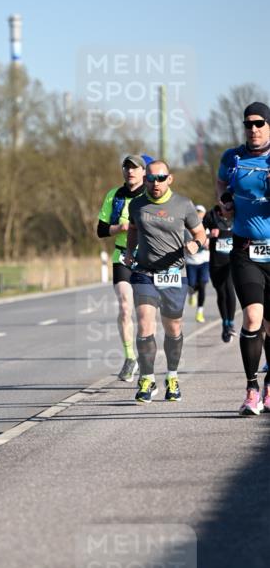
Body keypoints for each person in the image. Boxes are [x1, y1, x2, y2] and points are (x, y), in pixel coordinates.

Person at [124, 160, 207, 404]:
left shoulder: (183, 204)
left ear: (169, 179)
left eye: (161, 178)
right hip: (144, 272)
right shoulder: (137, 204)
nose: (155, 183)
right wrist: (130, 251)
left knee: (174, 328)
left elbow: (200, 233)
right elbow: (132, 230)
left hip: (174, 273)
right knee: (144, 325)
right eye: (151, 178)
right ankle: (147, 379)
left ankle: (172, 377)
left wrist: (196, 243)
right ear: (145, 180)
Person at [217, 101, 270, 415]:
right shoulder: (232, 156)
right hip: (245, 249)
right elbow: (222, 182)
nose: (253, 129)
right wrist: (224, 200)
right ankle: (251, 388)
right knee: (252, 317)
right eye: (248, 124)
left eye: (259, 123)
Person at [96, 154, 153, 382]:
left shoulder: (151, 194)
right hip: (122, 256)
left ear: (144, 172)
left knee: (145, 313)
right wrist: (120, 227)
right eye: (126, 168)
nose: (130, 172)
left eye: (135, 168)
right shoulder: (115, 195)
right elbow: (101, 230)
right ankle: (130, 357)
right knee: (124, 305)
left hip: (147, 257)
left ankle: (146, 358)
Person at [203, 195, 237, 342]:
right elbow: (198, 235)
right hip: (216, 262)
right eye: (224, 202)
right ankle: (225, 323)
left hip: (233, 261)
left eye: (229, 202)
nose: (226, 205)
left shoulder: (238, 213)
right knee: (221, 293)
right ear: (219, 202)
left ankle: (231, 323)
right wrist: (210, 235)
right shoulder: (210, 216)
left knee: (230, 290)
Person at [184, 204, 210, 322]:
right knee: (192, 284)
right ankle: (191, 293)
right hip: (191, 261)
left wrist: (208, 244)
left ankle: (200, 311)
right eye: (197, 212)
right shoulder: (186, 228)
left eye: (201, 212)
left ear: (204, 214)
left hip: (204, 260)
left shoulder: (207, 227)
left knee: (203, 285)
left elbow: (211, 242)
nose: (198, 214)